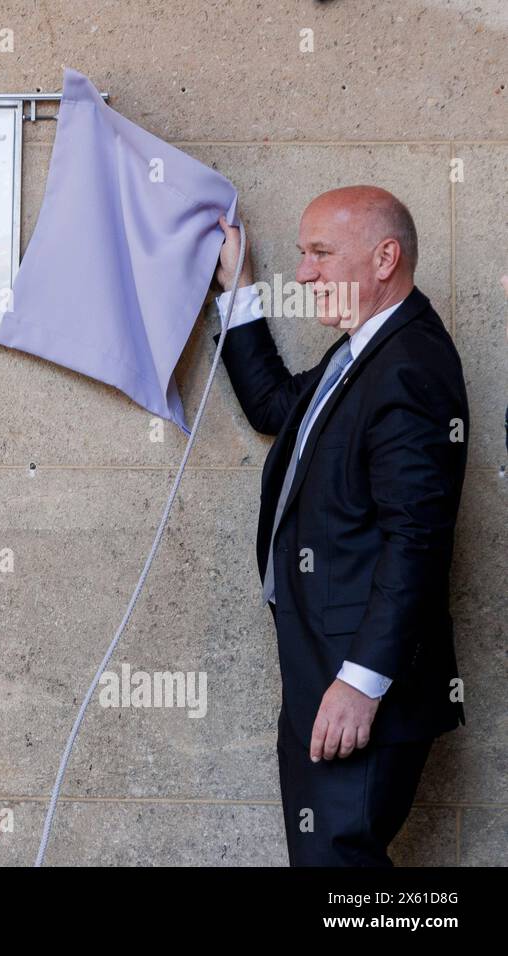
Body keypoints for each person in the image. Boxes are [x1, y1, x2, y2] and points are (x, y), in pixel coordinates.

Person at [213, 186, 467, 866]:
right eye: (302, 255)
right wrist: (237, 284)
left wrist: (360, 683)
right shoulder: (362, 352)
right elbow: (275, 406)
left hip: (357, 690)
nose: (303, 273)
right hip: (320, 678)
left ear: (385, 257)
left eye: (320, 253)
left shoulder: (409, 367)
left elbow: (418, 540)